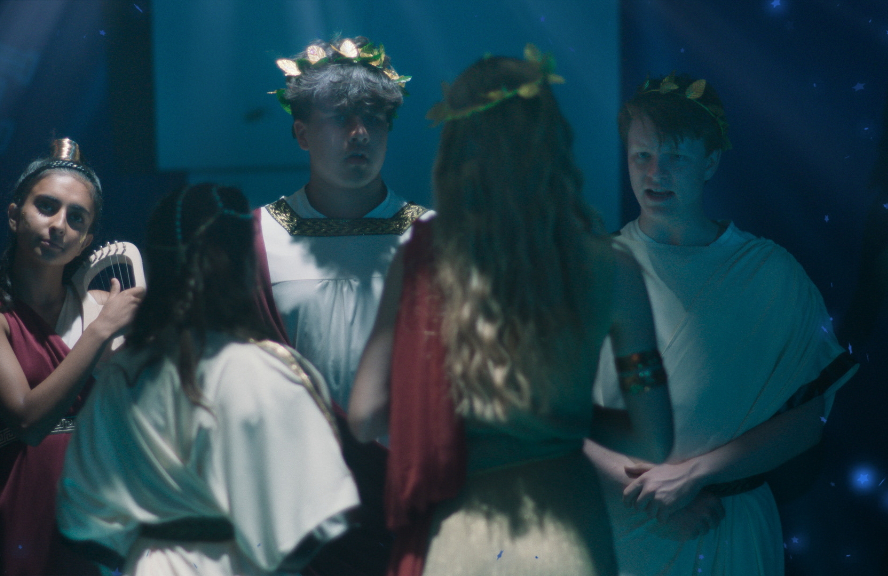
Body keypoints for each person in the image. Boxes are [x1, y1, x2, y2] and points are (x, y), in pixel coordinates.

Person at [348, 48, 675, 576]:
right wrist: (561, 416)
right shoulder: (613, 270)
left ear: (457, 150)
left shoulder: (423, 263)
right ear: (550, 142)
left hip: (459, 540)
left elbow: (365, 416)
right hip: (568, 536)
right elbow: (653, 440)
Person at [583, 73, 858, 575]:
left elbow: (807, 421)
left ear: (710, 162)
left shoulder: (771, 274)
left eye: (675, 157)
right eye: (641, 156)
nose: (655, 173)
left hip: (729, 525)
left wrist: (696, 475)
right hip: (620, 527)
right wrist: (653, 495)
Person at [57, 184, 360, 576]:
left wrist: (149, 548)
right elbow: (315, 522)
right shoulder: (277, 372)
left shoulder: (124, 374)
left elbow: (81, 522)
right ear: (244, 263)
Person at [254, 36, 425, 574]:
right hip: (292, 502)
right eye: (339, 118)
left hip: (408, 497)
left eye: (373, 118)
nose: (359, 133)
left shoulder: (432, 236)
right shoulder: (254, 238)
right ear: (301, 133)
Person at [0, 138, 144, 575]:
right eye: (46, 207)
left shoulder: (104, 305)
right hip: (19, 506)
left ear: (86, 241)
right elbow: (28, 421)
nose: (59, 225)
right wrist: (101, 331)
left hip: (98, 507)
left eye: (76, 218)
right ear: (14, 214)